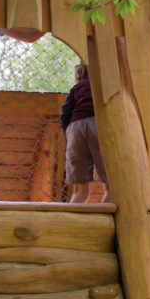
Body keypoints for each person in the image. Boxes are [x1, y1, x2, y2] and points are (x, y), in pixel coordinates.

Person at [61, 64, 110, 203]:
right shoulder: (107, 83)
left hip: (75, 128)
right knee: (112, 187)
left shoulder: (76, 88)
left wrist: (69, 138)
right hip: (100, 124)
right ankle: (103, 223)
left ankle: (69, 223)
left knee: (80, 191)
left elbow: (65, 114)